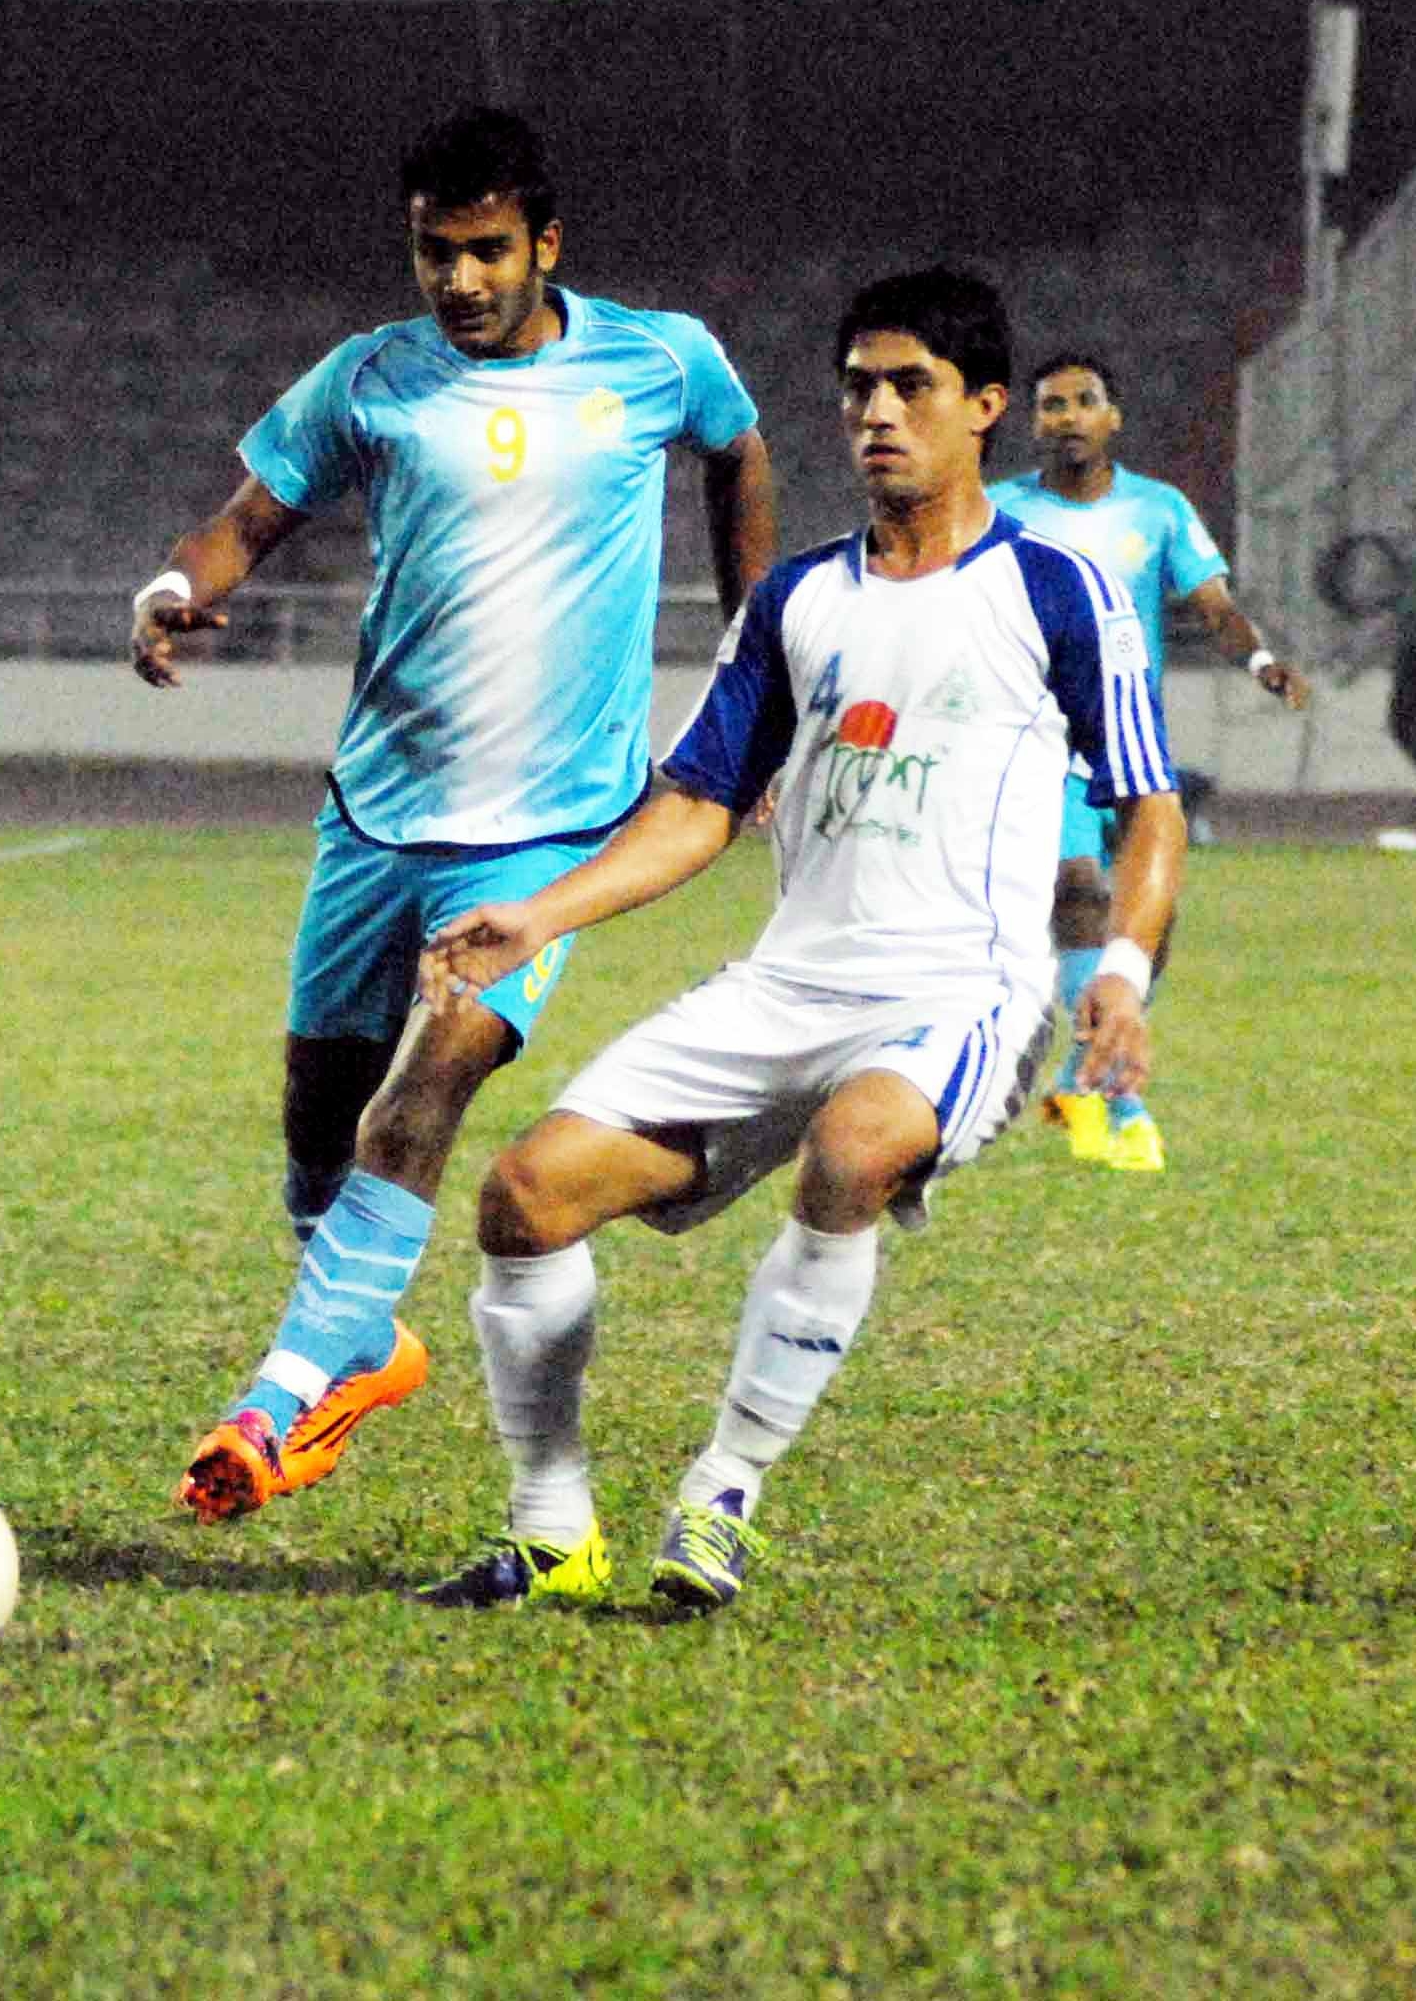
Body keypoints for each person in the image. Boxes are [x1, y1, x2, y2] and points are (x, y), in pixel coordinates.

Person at [412, 266, 1185, 1614]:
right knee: (523, 1199)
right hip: (785, 985)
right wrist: (538, 911)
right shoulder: (795, 605)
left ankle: (722, 1494)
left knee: (854, 1151)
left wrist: (1118, 972)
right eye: (857, 390)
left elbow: (1150, 809)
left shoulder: (1059, 593)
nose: (877, 414)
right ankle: (551, 1529)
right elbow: (698, 808)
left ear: (984, 408)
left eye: (911, 388)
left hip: (961, 993)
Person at [131, 104, 777, 1525]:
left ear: (547, 242)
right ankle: (365, 1349)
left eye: (488, 251)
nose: (462, 282)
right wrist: (177, 591)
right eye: (436, 253)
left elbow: (739, 456)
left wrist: (753, 657)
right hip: (376, 814)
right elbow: (243, 522)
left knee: (423, 1096)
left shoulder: (660, 359)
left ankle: (272, 1403)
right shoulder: (372, 380)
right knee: (317, 1130)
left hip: (546, 838)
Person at [989, 354, 1309, 1171]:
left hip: (1131, 741)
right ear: (1031, 423)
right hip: (1038, 743)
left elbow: (1215, 607)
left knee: (1146, 923)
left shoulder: (1159, 509)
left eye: (1084, 401)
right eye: (1051, 405)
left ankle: (1077, 1076)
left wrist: (1260, 660)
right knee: (1078, 893)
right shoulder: (999, 513)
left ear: (1114, 417)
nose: (1067, 417)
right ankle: (1118, 1093)